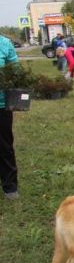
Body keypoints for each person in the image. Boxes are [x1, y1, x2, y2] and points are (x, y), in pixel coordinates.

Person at [0, 35, 20, 200]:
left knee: (5, 146)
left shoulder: (4, 44)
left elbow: (16, 70)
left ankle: (10, 186)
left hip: (1, 105)